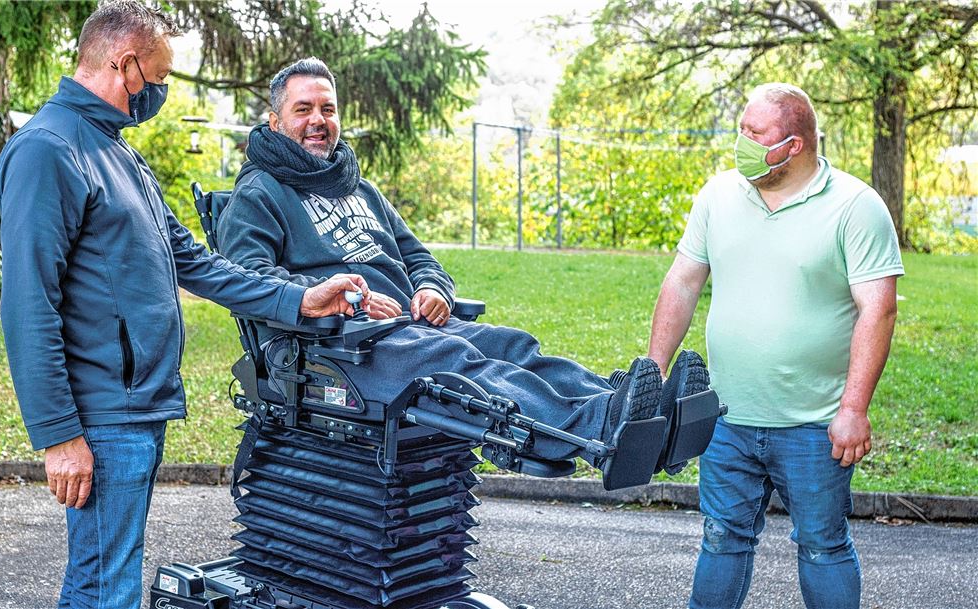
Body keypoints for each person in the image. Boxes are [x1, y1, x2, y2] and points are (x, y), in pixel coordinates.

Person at [0, 4, 382, 608]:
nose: (163, 90)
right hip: (101, 418)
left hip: (137, 408)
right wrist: (57, 435)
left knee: (107, 576)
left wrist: (301, 298)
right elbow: (27, 303)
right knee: (105, 586)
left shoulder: (117, 153)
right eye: (160, 75)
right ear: (125, 66)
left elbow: (195, 262)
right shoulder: (48, 150)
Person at [215, 57, 697, 471]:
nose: (318, 120)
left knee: (509, 345)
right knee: (459, 365)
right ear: (275, 122)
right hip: (339, 352)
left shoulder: (358, 187)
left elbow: (419, 256)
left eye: (328, 108)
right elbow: (248, 281)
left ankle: (631, 410)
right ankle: (603, 431)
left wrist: (432, 289)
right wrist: (343, 300)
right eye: (303, 109)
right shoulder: (259, 193)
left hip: (410, 327)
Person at [647, 83, 903, 609]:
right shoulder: (718, 195)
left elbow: (878, 309)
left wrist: (854, 409)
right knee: (721, 538)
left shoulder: (856, 206)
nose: (741, 142)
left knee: (822, 547)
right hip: (725, 417)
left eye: (754, 134)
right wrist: (652, 370)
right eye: (741, 129)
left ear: (793, 145)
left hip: (814, 425)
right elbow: (682, 283)